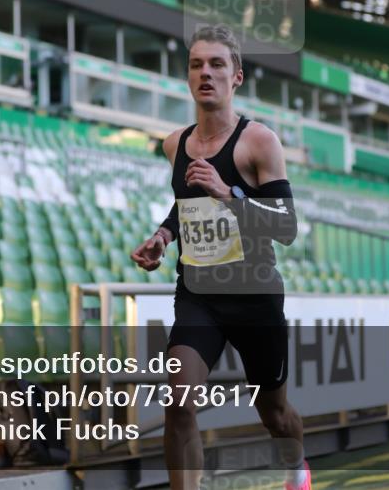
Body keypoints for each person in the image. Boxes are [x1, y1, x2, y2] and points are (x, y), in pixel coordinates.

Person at [131, 25, 309, 490]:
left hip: (254, 296)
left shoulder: (259, 142)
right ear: (188, 76)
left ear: (237, 78)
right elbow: (186, 205)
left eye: (216, 64)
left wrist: (228, 192)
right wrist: (163, 235)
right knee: (179, 401)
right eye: (196, 64)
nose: (205, 73)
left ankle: (296, 467)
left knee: (274, 414)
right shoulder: (175, 144)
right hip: (199, 294)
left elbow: (286, 227)